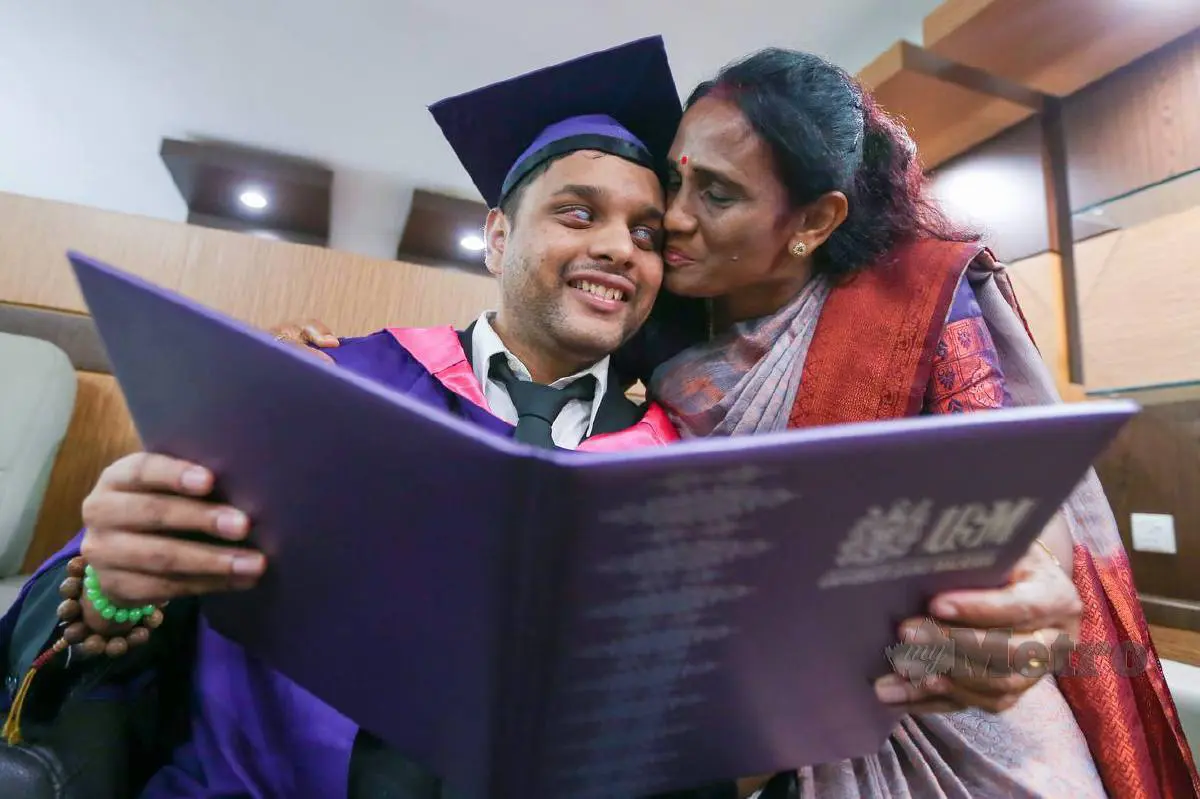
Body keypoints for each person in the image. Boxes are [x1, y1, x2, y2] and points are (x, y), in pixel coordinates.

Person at [279, 46, 1200, 799]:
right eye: (671, 182)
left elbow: (1011, 522)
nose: (666, 225)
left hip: (930, 722)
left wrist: (1024, 619)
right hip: (735, 733)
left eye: (712, 195)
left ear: (811, 222)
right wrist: (327, 370)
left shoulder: (905, 309)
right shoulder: (655, 318)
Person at [0, 38, 695, 799]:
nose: (617, 248)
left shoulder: (673, 467)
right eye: (577, 212)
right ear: (497, 238)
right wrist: (113, 586)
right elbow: (122, 593)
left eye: (646, 233)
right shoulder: (324, 380)